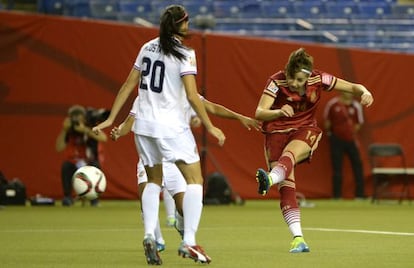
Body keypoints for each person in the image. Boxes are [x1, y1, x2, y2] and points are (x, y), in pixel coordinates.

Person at [92, 5, 226, 265]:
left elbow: (129, 84)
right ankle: (189, 241)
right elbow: (191, 95)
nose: (189, 26)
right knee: (195, 180)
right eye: (186, 22)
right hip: (170, 127)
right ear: (179, 25)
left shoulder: (147, 47)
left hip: (143, 126)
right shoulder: (185, 53)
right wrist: (210, 126)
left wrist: (110, 118)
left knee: (153, 181)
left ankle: (149, 235)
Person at [110, 93, 260, 263]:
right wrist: (119, 131)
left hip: (174, 163)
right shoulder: (147, 95)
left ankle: (179, 229)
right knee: (147, 196)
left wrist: (238, 117)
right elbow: (130, 121)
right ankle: (155, 240)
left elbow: (211, 107)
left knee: (182, 208)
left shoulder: (182, 91)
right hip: (154, 155)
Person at [254, 48, 373, 253]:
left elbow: (354, 87)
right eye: (292, 78)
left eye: (300, 80)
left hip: (304, 129)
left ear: (308, 76)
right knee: (287, 188)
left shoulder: (320, 78)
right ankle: (298, 239)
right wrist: (277, 112)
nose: (295, 84)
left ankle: (270, 179)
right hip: (276, 133)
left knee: (289, 155)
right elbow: (259, 112)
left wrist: (365, 92)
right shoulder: (276, 81)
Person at [55, 105, 108, 206]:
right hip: (74, 162)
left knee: (95, 166)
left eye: (80, 119)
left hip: (89, 162)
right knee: (66, 166)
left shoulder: (90, 127)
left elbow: (104, 138)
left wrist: (85, 130)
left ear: (84, 118)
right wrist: (64, 130)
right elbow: (58, 147)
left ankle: (94, 199)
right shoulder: (69, 131)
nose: (78, 122)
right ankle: (68, 197)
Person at [324, 92, 366, 199]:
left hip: (351, 140)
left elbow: (359, 123)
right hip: (336, 140)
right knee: (337, 167)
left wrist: (350, 133)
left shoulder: (356, 106)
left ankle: (360, 195)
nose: (350, 94)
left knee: (357, 165)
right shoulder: (333, 104)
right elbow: (327, 121)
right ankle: (337, 195)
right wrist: (332, 134)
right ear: (342, 92)